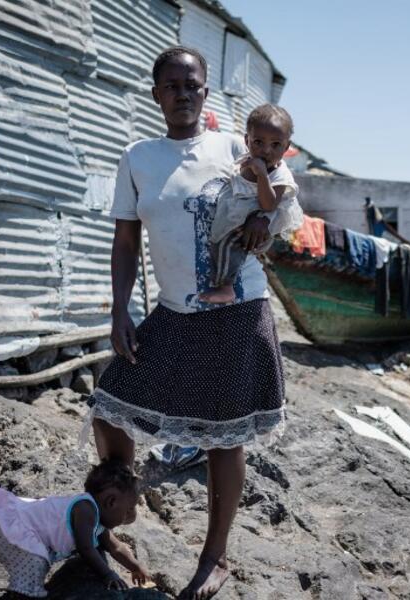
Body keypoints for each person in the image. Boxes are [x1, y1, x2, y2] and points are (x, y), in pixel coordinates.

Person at [83, 46, 285, 599]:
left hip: (235, 312)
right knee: (110, 402)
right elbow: (126, 241)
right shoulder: (138, 158)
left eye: (192, 85)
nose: (182, 94)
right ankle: (116, 502)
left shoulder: (234, 147)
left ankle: (214, 557)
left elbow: (282, 191)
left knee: (225, 436)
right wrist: (120, 308)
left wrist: (264, 218)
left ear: (206, 91)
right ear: (156, 95)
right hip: (173, 312)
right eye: (171, 85)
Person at [0, 459, 149, 597]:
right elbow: (86, 548)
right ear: (111, 502)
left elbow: (116, 546)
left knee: (38, 559)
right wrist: (107, 574)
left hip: (10, 526)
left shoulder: (99, 519)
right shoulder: (85, 509)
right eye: (129, 509)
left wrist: (135, 566)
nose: (131, 516)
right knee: (36, 563)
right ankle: (22, 594)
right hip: (6, 528)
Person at [199, 104, 302, 304]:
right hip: (239, 218)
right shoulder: (245, 159)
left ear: (286, 147)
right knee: (219, 244)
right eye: (258, 142)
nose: (266, 150)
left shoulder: (280, 175)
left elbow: (269, 205)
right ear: (246, 140)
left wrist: (262, 175)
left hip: (257, 229)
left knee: (228, 245)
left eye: (275, 145)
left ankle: (226, 287)